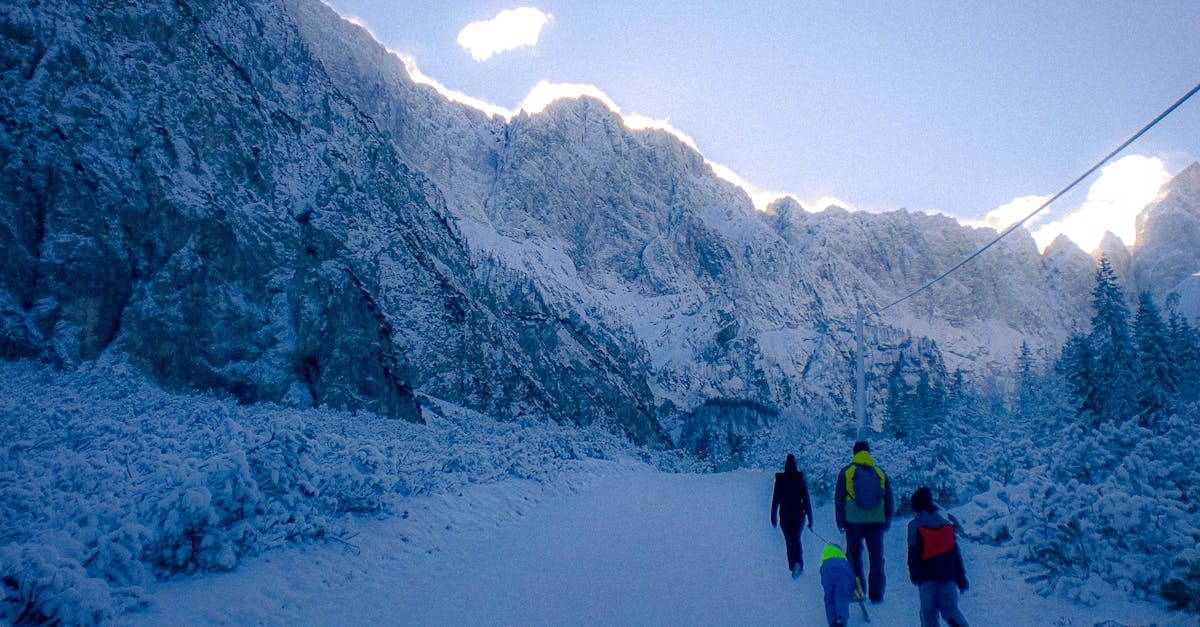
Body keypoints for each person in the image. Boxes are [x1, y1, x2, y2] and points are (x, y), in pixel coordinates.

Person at [834, 440, 893, 603]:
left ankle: (857, 590)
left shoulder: (846, 472)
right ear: (868, 453)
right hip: (876, 522)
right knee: (876, 556)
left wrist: (840, 521)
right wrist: (887, 519)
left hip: (853, 521)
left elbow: (839, 499)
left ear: (854, 453)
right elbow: (889, 499)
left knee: (853, 556)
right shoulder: (880, 472)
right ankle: (877, 593)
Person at [907, 486, 970, 627]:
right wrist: (961, 577)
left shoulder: (914, 526)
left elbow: (913, 553)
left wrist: (914, 574)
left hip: (927, 577)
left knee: (928, 613)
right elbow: (955, 554)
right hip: (949, 574)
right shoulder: (946, 525)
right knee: (950, 610)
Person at [770, 453, 814, 578]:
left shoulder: (780, 481)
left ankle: (793, 565)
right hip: (798, 515)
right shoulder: (800, 481)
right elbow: (806, 501)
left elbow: (775, 500)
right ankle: (798, 563)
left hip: (784, 515)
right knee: (796, 538)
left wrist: (773, 516)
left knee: (789, 541)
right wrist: (810, 519)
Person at [819, 543, 854, 627]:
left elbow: (822, 577)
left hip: (827, 574)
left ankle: (832, 621)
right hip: (842, 572)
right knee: (841, 596)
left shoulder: (824, 560)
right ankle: (841, 618)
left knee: (829, 597)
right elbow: (850, 576)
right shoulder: (843, 560)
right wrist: (851, 590)